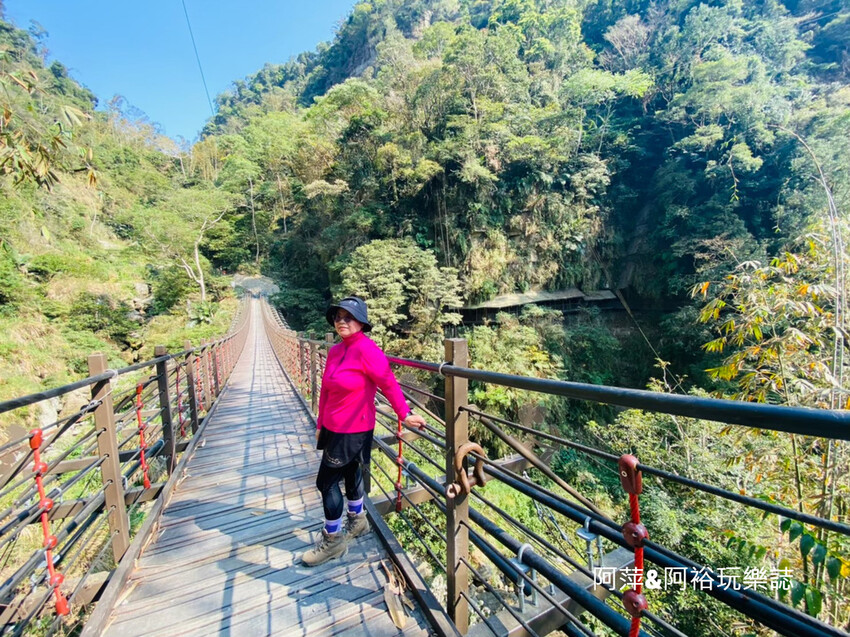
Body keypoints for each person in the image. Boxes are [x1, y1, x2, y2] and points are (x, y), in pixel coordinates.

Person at [301, 296, 426, 567]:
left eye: (348, 317)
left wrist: (404, 414)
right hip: (334, 427)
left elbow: (388, 383)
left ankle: (332, 541)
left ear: (361, 322)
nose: (341, 321)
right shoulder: (335, 351)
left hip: (354, 429)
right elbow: (326, 391)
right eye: (337, 317)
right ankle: (358, 521)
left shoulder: (369, 351)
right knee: (350, 472)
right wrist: (321, 424)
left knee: (326, 482)